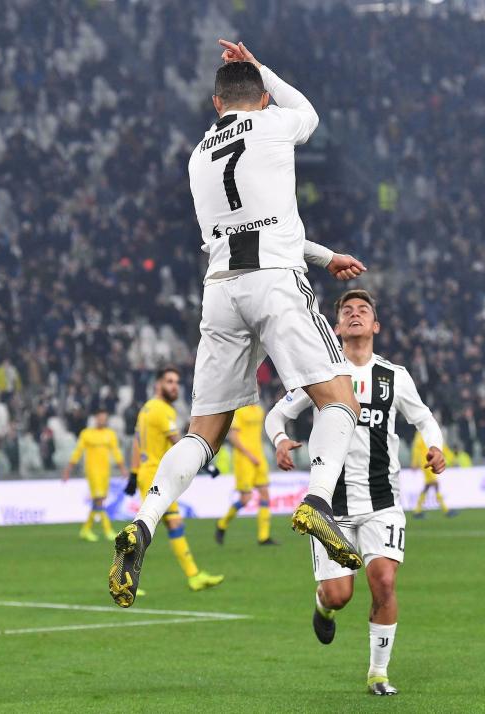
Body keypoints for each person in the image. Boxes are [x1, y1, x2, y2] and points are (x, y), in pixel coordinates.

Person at [109, 40, 368, 608]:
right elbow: (310, 113)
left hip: (222, 290)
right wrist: (262, 66)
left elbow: (254, 222)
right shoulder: (273, 124)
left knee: (203, 432)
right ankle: (318, 501)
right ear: (261, 98)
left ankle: (145, 522)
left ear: (214, 103)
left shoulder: (199, 155)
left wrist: (326, 257)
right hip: (276, 280)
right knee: (340, 399)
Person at [264, 289, 445, 696]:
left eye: (363, 310)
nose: (356, 314)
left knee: (383, 581)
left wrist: (435, 445)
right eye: (348, 311)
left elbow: (423, 416)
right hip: (332, 508)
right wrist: (279, 438)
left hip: (383, 501)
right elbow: (277, 412)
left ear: (375, 325)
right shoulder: (321, 374)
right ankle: (323, 604)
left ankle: (378, 673)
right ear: (337, 327)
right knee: (340, 594)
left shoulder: (394, 375)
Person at [122, 367, 224, 594]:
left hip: (148, 472)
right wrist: (206, 463)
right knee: (149, 526)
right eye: (169, 381)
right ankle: (124, 579)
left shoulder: (146, 409)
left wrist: (133, 473)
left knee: (171, 524)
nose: (174, 386)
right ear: (158, 384)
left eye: (176, 382)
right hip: (157, 475)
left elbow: (137, 442)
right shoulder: (162, 409)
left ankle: (193, 576)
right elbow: (179, 442)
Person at [215, 402, 278, 545]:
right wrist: (250, 455)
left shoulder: (259, 410)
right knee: (246, 498)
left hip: (259, 457)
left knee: (265, 494)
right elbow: (234, 438)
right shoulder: (239, 411)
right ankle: (222, 524)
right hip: (244, 459)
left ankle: (263, 537)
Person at [63, 407, 126, 542]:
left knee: (100, 500)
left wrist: (122, 468)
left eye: (104, 418)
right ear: (96, 419)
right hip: (93, 472)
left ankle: (86, 530)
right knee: (99, 500)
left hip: (105, 472)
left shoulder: (110, 434)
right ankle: (107, 529)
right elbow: (78, 452)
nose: (102, 420)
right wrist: (68, 469)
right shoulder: (86, 434)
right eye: (100, 418)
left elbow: (116, 452)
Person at [410, 431, 457, 518]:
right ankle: (446, 510)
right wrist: (414, 462)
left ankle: (417, 511)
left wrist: (452, 458)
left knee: (428, 485)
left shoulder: (431, 431)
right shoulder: (421, 433)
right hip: (426, 462)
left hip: (431, 462)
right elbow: (417, 448)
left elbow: (442, 446)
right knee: (435, 484)